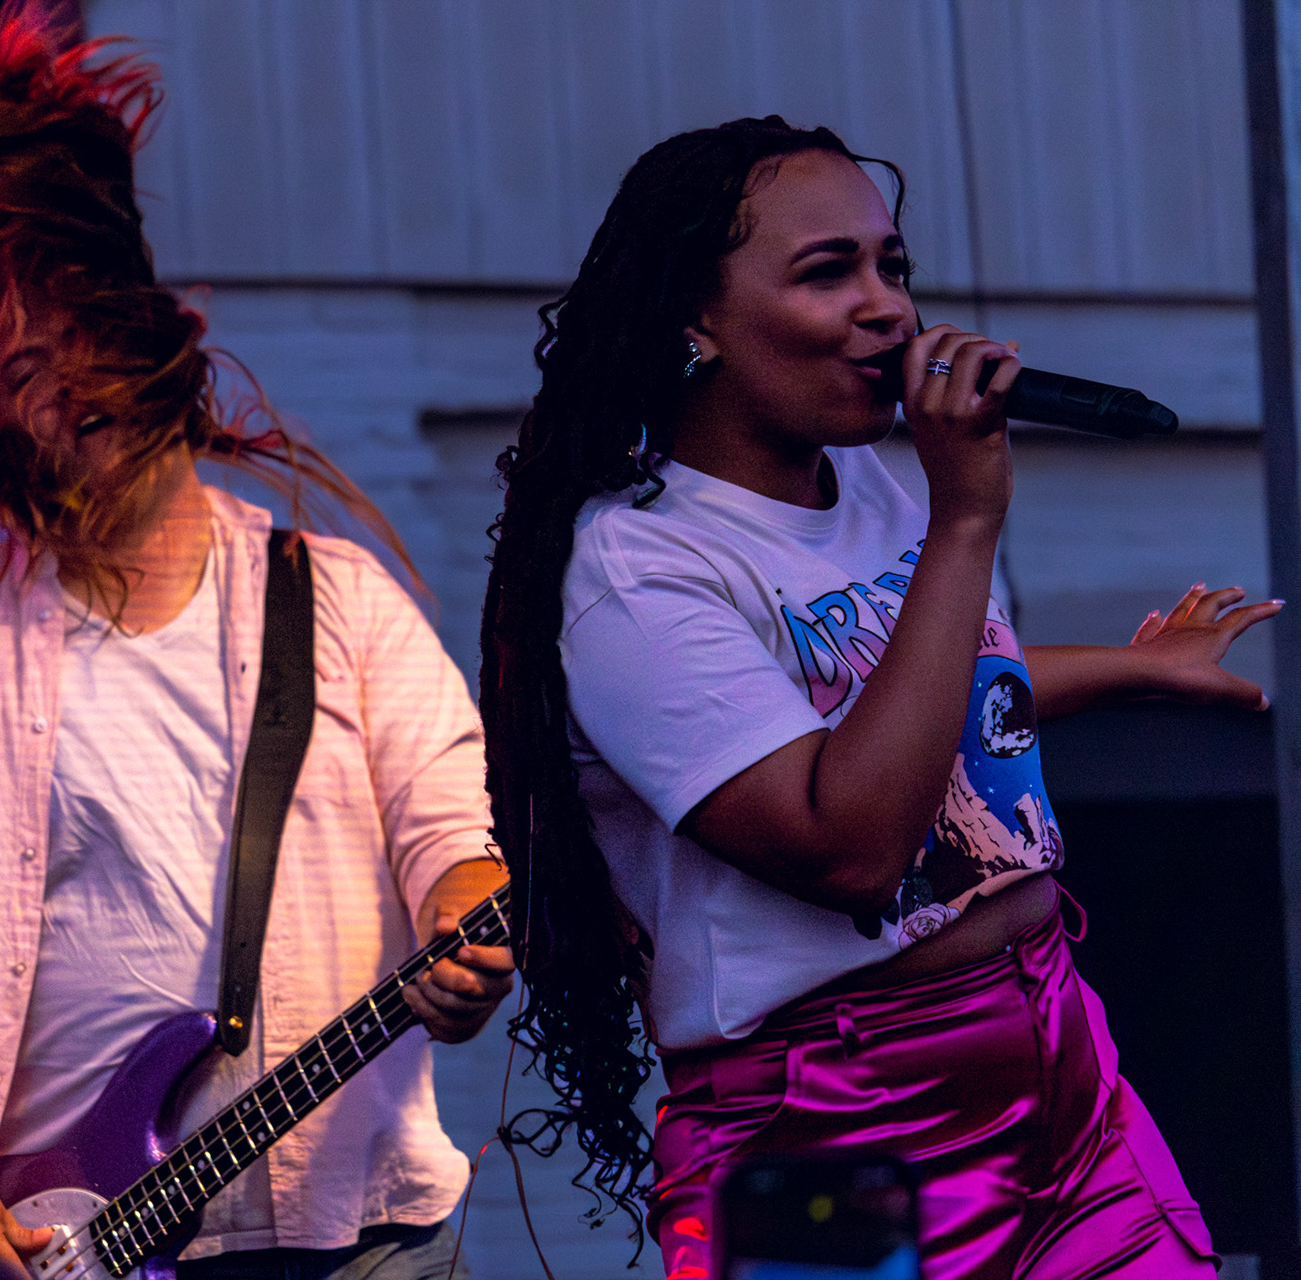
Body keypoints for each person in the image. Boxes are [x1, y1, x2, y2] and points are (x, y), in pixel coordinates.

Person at [0, 9, 512, 1278]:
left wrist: (469, 930)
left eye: (76, 344)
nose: (57, 394)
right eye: (19, 370)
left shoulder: (341, 603)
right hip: (61, 1241)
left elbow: (456, 839)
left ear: (149, 339)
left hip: (356, 1230)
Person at [480, 115, 1276, 1278]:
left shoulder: (869, 482)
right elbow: (845, 838)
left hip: (1053, 1060)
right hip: (833, 1123)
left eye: (890, 265)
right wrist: (965, 517)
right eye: (827, 271)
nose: (888, 307)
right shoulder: (638, 570)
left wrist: (1132, 665)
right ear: (695, 320)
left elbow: (917, 695)